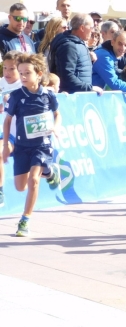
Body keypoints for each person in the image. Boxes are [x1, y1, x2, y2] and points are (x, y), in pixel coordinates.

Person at [3, 53, 61, 237]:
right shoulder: (16, 96)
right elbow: (7, 121)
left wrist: (55, 128)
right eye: (21, 73)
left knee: (34, 179)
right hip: (21, 145)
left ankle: (25, 220)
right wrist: (6, 145)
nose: (23, 76)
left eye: (27, 72)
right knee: (21, 186)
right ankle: (49, 172)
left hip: (42, 145)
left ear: (39, 73)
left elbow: (57, 114)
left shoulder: (48, 95)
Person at [49, 14, 103, 95]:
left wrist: (89, 60)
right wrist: (89, 88)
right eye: (91, 28)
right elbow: (67, 76)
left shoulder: (77, 43)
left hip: (79, 96)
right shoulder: (69, 46)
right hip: (71, 98)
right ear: (82, 28)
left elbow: (79, 70)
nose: (92, 31)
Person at [0, 51, 23, 208]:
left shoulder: (25, 84)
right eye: (5, 68)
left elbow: (50, 89)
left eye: (11, 69)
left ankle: (48, 172)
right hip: (6, 133)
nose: (7, 72)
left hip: (23, 135)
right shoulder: (1, 82)